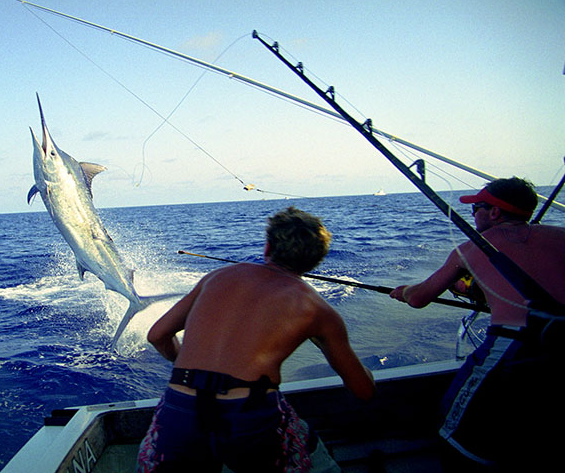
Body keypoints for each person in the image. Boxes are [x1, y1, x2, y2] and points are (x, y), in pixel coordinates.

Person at [137, 207, 375, 473]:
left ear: (267, 247)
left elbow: (157, 335)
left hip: (180, 404)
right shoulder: (319, 311)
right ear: (315, 260)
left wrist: (185, 362)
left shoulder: (217, 277)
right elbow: (363, 390)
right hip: (248, 414)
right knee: (313, 458)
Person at [390, 177, 565, 470]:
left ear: (494, 213)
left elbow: (420, 298)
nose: (473, 215)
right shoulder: (561, 236)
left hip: (515, 347)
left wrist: (403, 291)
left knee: (454, 431)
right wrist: (467, 288)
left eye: (477, 209)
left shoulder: (472, 249)